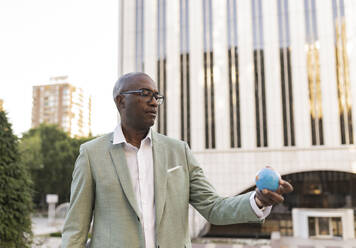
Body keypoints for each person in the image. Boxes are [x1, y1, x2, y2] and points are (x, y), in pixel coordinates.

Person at [61, 72, 293, 248]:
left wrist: (258, 200)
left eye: (156, 96)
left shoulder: (178, 151)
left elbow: (213, 207)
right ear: (121, 101)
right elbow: (76, 230)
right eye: (144, 94)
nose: (153, 102)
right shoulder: (91, 154)